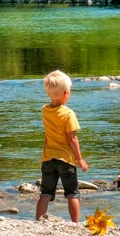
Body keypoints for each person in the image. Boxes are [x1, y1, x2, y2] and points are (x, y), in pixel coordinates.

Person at [36, 70, 88, 223]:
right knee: (72, 194)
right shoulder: (68, 114)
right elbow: (72, 138)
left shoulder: (45, 110)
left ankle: (38, 220)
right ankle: (75, 223)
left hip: (48, 158)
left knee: (45, 193)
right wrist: (80, 159)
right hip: (66, 159)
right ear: (66, 93)